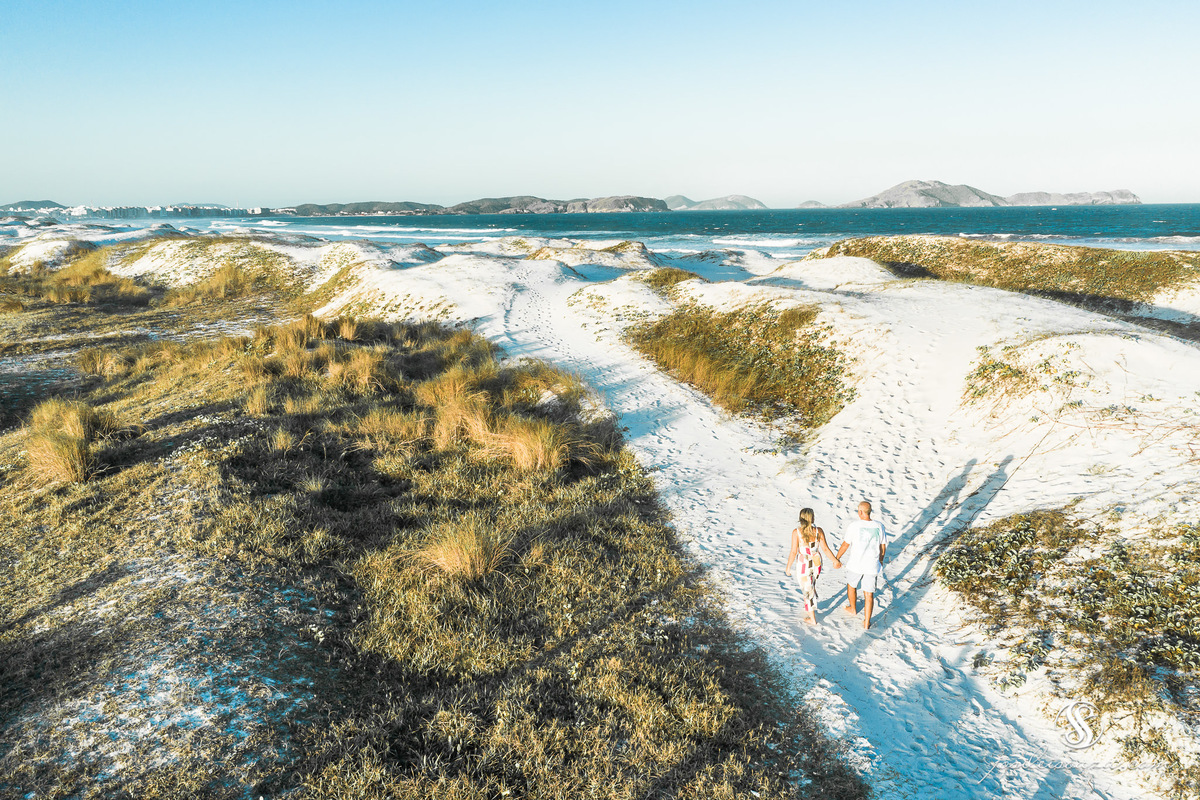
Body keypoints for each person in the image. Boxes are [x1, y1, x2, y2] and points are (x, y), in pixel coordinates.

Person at [835, 501, 888, 630]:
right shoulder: (879, 526)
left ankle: (853, 608)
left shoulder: (854, 525)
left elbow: (845, 544)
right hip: (872, 565)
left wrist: (837, 558)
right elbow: (883, 545)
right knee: (869, 594)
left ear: (860, 512)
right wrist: (881, 560)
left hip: (856, 564)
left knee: (851, 586)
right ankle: (866, 623)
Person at [785, 508, 841, 625]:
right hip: (816, 561)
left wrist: (788, 567)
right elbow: (825, 548)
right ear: (812, 518)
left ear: (801, 519)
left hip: (804, 562)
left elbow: (793, 551)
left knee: (807, 590)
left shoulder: (797, 532)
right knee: (811, 584)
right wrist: (835, 561)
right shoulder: (818, 531)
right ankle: (812, 602)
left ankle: (812, 619)